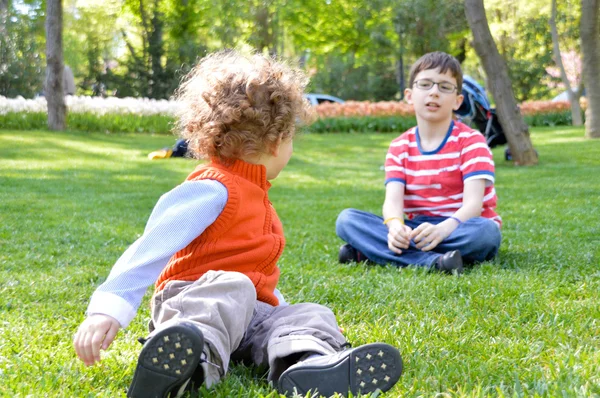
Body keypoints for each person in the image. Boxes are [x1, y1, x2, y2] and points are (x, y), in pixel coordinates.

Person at [73, 50, 403, 398]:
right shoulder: (212, 189)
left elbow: (255, 273)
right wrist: (107, 310)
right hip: (194, 305)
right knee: (234, 287)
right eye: (291, 136)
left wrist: (280, 308)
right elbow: (149, 249)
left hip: (246, 314)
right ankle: (186, 366)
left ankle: (309, 364)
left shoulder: (256, 193)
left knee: (307, 313)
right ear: (276, 140)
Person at [336, 51, 502, 274]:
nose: (434, 92)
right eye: (425, 84)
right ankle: (435, 262)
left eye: (444, 87)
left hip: (460, 226)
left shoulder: (472, 142)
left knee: (487, 233)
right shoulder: (399, 146)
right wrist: (395, 227)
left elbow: (473, 205)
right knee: (347, 220)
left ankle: (369, 252)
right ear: (409, 95)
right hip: (417, 228)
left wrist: (443, 230)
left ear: (457, 100)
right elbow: (392, 202)